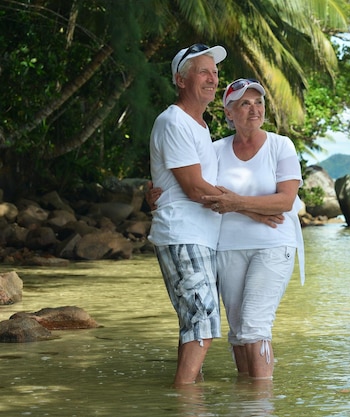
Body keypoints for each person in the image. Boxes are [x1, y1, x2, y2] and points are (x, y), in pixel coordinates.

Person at [202, 78, 305, 379]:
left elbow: (285, 201)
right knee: (237, 329)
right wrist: (252, 207)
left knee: (254, 323)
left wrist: (236, 203)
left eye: (258, 102)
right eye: (244, 103)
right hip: (228, 246)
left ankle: (261, 400)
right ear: (228, 113)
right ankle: (246, 402)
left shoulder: (280, 145)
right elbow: (206, 194)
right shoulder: (215, 151)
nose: (254, 109)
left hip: (274, 244)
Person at [148, 43, 227, 387]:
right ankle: (186, 400)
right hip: (183, 233)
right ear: (181, 80)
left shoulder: (200, 126)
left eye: (215, 72)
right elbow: (195, 189)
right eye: (203, 72)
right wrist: (252, 206)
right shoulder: (174, 121)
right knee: (203, 318)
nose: (212, 79)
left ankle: (184, 396)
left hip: (197, 235)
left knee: (195, 322)